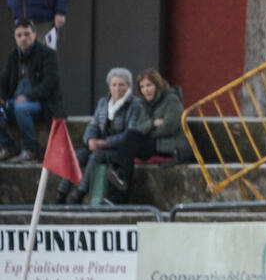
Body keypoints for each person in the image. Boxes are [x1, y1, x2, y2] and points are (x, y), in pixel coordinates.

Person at [56, 67, 138, 203]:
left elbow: (130, 133)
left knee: (96, 157)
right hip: (99, 144)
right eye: (114, 85)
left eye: (121, 85)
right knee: (78, 155)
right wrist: (90, 140)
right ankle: (61, 194)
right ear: (109, 86)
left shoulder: (135, 105)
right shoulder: (103, 103)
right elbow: (93, 125)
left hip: (118, 150)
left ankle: (80, 194)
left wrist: (106, 143)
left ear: (129, 86)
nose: (117, 88)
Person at [104, 68, 191, 196]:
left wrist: (145, 133)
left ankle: (117, 187)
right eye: (142, 87)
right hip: (153, 144)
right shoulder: (145, 104)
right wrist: (152, 123)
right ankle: (119, 181)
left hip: (172, 146)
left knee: (129, 145)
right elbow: (138, 128)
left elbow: (169, 127)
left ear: (158, 85)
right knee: (128, 151)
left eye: (149, 85)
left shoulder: (171, 99)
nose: (146, 90)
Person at [0, 20, 62, 161]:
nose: (23, 38)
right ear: (15, 37)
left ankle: (29, 150)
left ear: (34, 34)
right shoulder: (13, 56)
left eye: (27, 34)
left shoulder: (47, 54)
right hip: (14, 103)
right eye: (19, 35)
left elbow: (50, 83)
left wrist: (27, 96)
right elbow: (3, 81)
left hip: (42, 104)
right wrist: (2, 98)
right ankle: (8, 147)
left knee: (22, 108)